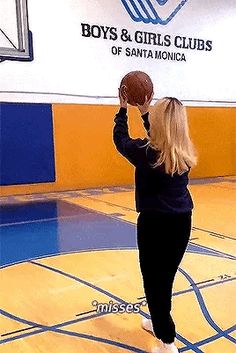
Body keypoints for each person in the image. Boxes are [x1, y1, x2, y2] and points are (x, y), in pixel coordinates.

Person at [113, 87, 197, 353]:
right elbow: (161, 136)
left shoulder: (145, 152)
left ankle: (166, 339)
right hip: (182, 222)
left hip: (155, 225)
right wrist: (146, 113)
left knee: (154, 281)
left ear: (159, 123)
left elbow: (120, 140)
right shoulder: (183, 153)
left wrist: (123, 110)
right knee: (165, 279)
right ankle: (158, 323)